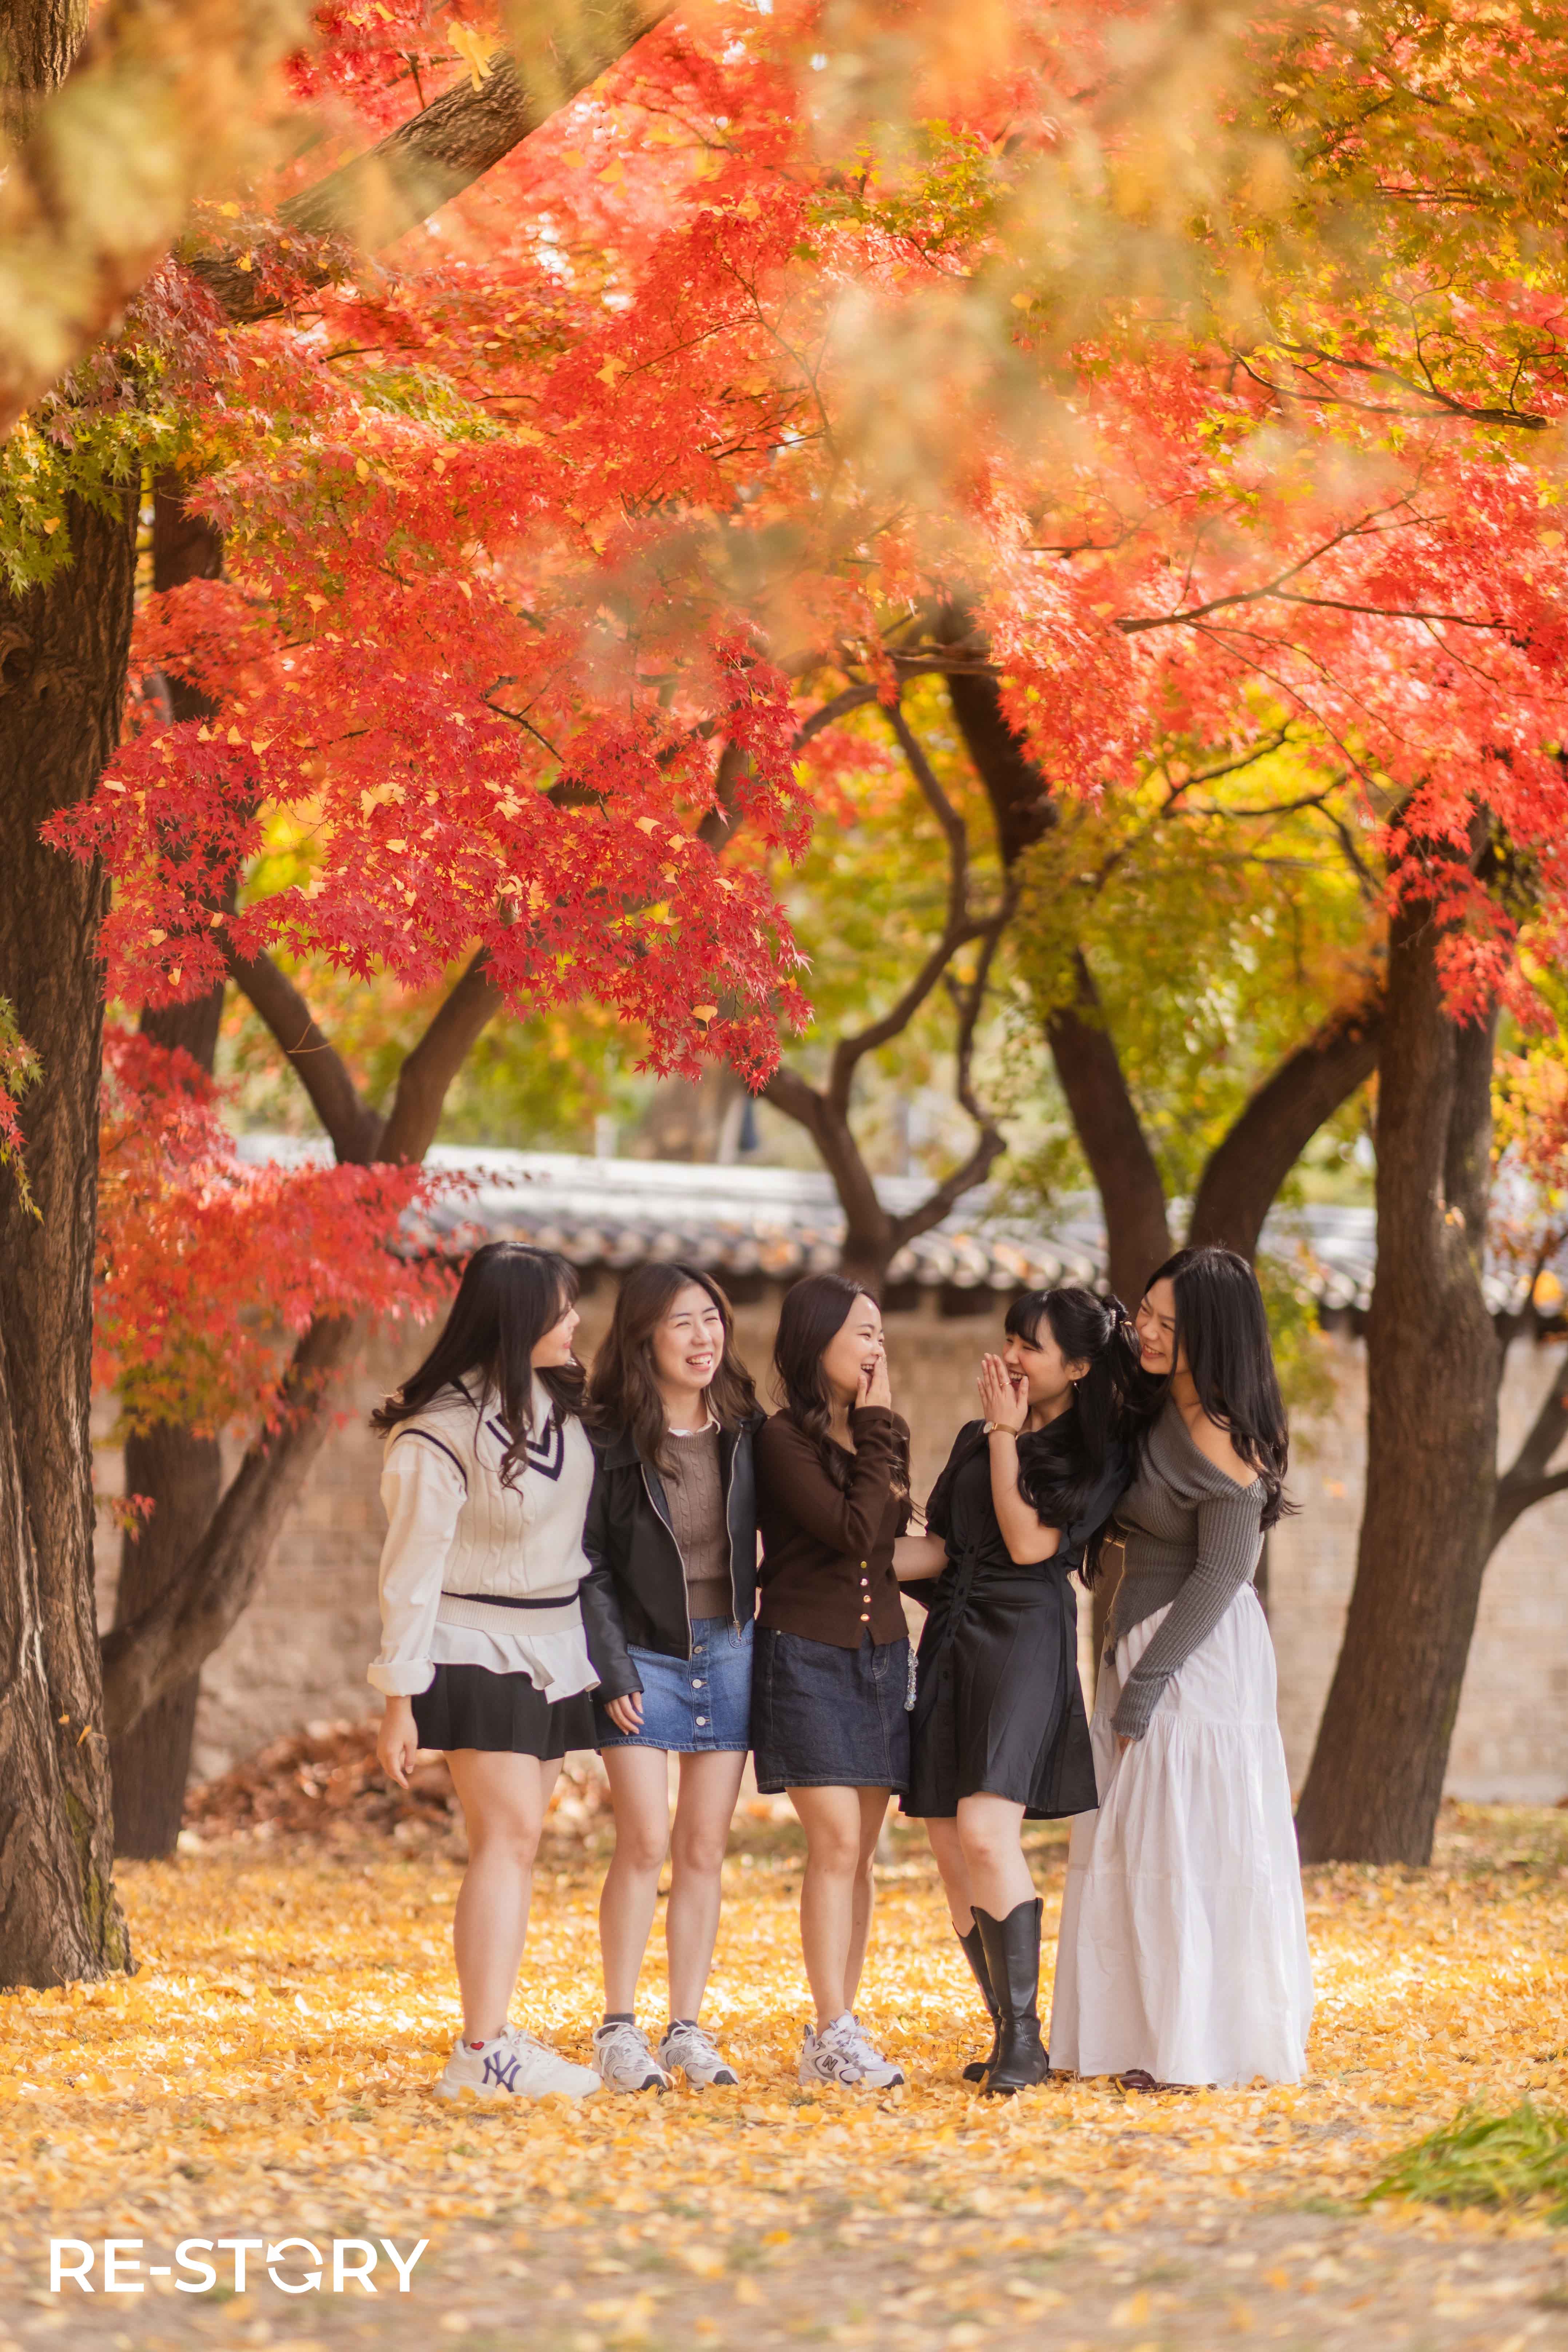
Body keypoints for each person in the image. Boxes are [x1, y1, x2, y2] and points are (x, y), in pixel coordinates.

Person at [1049, 1245, 1314, 2090]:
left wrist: (1146, 1685)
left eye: (1170, 1323)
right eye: (1146, 1313)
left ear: (1214, 1333)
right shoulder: (1159, 1402)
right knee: (1135, 1842)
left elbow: (1221, 1574)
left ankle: (1192, 2050)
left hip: (1194, 1656)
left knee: (1184, 1844)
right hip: (1141, 1638)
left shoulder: (1228, 1435)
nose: (1149, 1331)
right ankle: (1140, 2037)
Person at [370, 1241, 601, 2103]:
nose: (575, 1320)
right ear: (516, 1317)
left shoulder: (562, 1407)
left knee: (518, 1843)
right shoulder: (435, 1430)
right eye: (561, 1308)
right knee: (506, 1837)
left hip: (555, 1647)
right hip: (473, 1645)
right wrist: (399, 1699)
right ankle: (482, 2048)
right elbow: (410, 1572)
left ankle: (491, 2035)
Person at [894, 1287, 1136, 2095]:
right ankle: (1006, 2032)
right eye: (1008, 1340)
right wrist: (829, 1555)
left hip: (1023, 1637)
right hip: (953, 1634)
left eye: (1029, 1347)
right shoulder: (977, 1436)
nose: (1009, 1358)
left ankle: (1028, 2041)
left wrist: (1004, 1434)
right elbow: (938, 1549)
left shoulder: (1096, 1450)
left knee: (986, 1831)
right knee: (946, 1838)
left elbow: (1030, 1543)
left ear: (1078, 1367)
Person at [579, 1262, 763, 2094]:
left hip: (729, 1648)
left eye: (711, 1318)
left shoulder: (745, 1431)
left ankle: (686, 2027)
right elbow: (587, 1564)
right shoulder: (608, 1439)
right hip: (641, 1653)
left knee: (702, 1847)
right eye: (682, 1321)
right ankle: (617, 2028)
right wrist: (610, 1666)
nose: (702, 1336)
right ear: (644, 1336)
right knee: (645, 1840)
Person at [751, 1273, 913, 2091]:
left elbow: (890, 1545)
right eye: (863, 1332)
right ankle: (831, 2027)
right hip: (805, 1656)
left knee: (864, 1857)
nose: (877, 1347)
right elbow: (852, 1531)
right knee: (837, 1842)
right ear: (817, 1342)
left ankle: (839, 2028)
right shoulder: (782, 1439)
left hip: (882, 1655)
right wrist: (878, 1429)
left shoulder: (885, 1433)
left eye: (880, 1333)